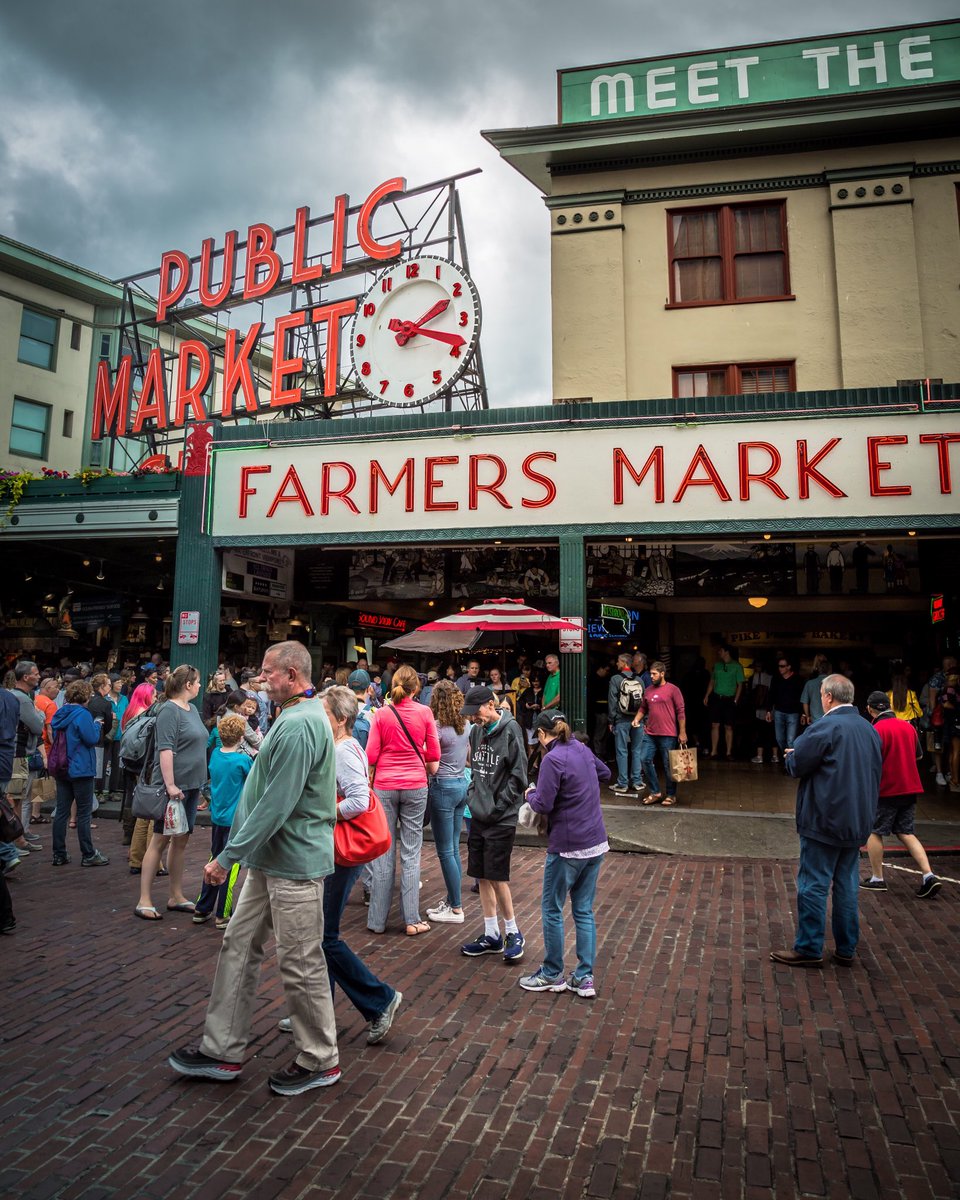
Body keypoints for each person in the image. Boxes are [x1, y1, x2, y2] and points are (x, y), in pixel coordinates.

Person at [169, 641, 342, 1096]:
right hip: (272, 859)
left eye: (268, 673)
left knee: (300, 959)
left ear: (291, 673)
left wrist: (228, 856)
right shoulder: (295, 716)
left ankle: (320, 1058)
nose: (261, 680)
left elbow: (276, 803)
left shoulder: (301, 723)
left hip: (294, 861)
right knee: (240, 944)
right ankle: (222, 1048)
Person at [310, 685, 403, 1043]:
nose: (319, 718)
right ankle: (318, 1012)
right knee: (322, 935)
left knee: (324, 937)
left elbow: (359, 801)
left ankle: (379, 1000)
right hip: (339, 851)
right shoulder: (341, 747)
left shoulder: (343, 752)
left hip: (341, 851)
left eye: (325, 712)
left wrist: (325, 812)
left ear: (341, 719)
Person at [772, 674, 881, 968]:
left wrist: (791, 756)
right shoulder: (869, 730)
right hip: (856, 820)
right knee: (846, 885)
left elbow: (797, 766)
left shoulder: (825, 727)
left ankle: (809, 947)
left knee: (814, 884)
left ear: (829, 697)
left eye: (821, 694)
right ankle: (846, 947)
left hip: (824, 818)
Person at [519, 711, 609, 997]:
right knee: (583, 910)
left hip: (568, 845)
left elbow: (543, 804)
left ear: (544, 735)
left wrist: (528, 794)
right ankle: (584, 977)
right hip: (596, 842)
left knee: (552, 908)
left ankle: (551, 972)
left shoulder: (552, 760)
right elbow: (605, 773)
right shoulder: (581, 749)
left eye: (539, 737)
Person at [365, 664, 440, 937]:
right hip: (415, 784)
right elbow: (434, 753)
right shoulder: (425, 712)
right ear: (416, 688)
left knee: (384, 851)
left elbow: (371, 754)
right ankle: (411, 919)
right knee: (411, 852)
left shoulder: (382, 714)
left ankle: (376, 921)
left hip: (384, 784)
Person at [459, 685, 529, 963]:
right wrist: (474, 795)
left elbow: (519, 775)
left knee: (498, 875)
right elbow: (475, 768)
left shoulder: (512, 730)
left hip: (501, 817)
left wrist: (500, 805)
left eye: (477, 713)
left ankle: (513, 931)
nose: (475, 719)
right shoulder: (477, 732)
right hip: (478, 813)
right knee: (482, 874)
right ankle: (491, 934)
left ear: (491, 704)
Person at [135, 665, 207, 921]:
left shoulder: (192, 709)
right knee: (160, 839)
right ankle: (144, 899)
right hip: (174, 788)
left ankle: (175, 895)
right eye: (197, 682)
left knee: (181, 840)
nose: (200, 686)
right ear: (188, 684)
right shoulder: (169, 710)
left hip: (191, 786)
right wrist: (170, 785)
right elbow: (165, 750)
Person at [860, 692, 942, 899]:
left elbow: (869, 762)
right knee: (906, 832)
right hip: (909, 788)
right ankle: (928, 875)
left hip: (886, 789)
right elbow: (918, 755)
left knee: (874, 831)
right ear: (889, 706)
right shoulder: (908, 727)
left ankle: (877, 878)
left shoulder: (875, 730)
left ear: (870, 709)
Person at [193, 714, 252, 930]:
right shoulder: (242, 760)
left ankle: (203, 906)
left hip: (218, 816)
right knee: (230, 862)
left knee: (215, 858)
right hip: (234, 818)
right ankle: (223, 913)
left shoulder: (216, 755)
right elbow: (254, 780)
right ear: (240, 736)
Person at [49, 680, 110, 867]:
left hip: (62, 766)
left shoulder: (60, 712)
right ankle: (88, 853)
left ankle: (59, 853)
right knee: (84, 813)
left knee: (61, 811)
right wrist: (97, 724)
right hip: (81, 767)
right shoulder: (82, 714)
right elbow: (91, 738)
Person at [425, 680, 471, 924]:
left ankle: (456, 907)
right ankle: (452, 899)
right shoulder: (466, 725)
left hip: (442, 786)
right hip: (461, 785)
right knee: (453, 848)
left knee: (445, 851)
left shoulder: (437, 728)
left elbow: (431, 764)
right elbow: (469, 757)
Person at [634, 661, 687, 806]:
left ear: (662, 674)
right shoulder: (649, 690)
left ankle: (671, 794)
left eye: (654, 674)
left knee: (668, 765)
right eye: (650, 673)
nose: (651, 676)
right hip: (650, 733)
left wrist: (682, 732)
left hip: (668, 734)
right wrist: (636, 719)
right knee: (644, 759)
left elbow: (681, 711)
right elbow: (643, 708)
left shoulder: (673, 690)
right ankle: (655, 792)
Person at [8, 660, 45, 856]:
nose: (39, 676)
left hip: (16, 752)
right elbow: (38, 726)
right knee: (15, 798)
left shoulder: (17, 696)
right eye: (36, 673)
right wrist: (40, 715)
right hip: (18, 753)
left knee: (17, 797)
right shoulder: (22, 699)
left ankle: (19, 837)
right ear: (25, 677)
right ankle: (15, 841)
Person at [607, 652, 646, 796]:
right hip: (638, 720)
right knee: (636, 750)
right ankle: (636, 781)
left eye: (618, 661)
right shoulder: (640, 680)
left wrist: (611, 720)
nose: (616, 664)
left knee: (622, 751)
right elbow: (644, 702)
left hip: (622, 720)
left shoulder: (615, 679)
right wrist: (644, 719)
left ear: (624, 663)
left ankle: (622, 783)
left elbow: (612, 701)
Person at [703, 646, 744, 759]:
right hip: (716, 697)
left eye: (720, 650)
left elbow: (740, 684)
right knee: (714, 724)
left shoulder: (737, 666)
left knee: (728, 726)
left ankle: (728, 752)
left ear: (727, 652)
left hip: (729, 698)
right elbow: (712, 681)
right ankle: (713, 751)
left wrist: (736, 699)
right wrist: (707, 695)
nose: (718, 652)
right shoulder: (717, 665)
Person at [766, 655, 804, 760]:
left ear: (789, 667)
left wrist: (803, 713)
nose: (780, 668)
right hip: (779, 712)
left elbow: (802, 698)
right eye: (779, 666)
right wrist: (769, 711)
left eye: (782, 666)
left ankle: (789, 763)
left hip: (793, 713)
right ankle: (787, 758)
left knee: (791, 740)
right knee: (779, 738)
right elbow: (771, 695)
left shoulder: (798, 679)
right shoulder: (776, 678)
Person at [87, 673, 116, 800]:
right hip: (98, 737)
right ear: (102, 686)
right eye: (109, 684)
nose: (110, 687)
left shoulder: (88, 700)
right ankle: (97, 793)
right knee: (99, 766)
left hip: (85, 737)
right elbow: (109, 725)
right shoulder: (105, 703)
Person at [800, 659, 831, 728]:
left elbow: (805, 702)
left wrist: (807, 716)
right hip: (830, 720)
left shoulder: (809, 683)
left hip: (815, 720)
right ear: (829, 670)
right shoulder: (834, 684)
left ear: (818, 670)